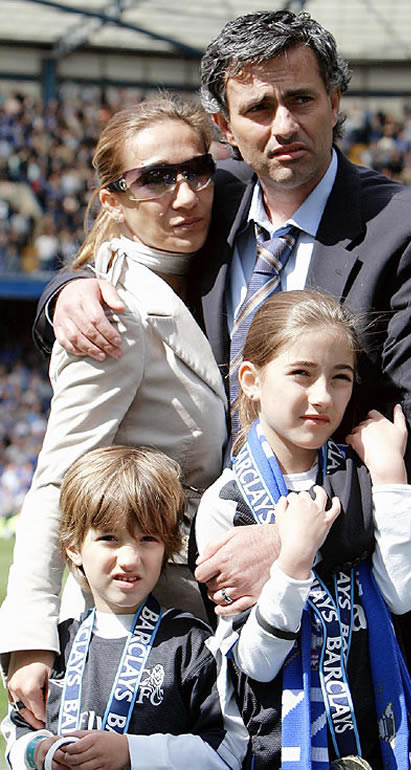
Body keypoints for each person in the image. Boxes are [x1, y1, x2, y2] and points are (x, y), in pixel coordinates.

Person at [32, 11, 411, 769]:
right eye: (258, 108)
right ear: (223, 125)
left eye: (302, 99)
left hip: (397, 629)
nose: (284, 124)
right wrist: (70, 285)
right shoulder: (209, 200)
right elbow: (123, 232)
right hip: (247, 642)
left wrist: (288, 543)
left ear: (335, 100)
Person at [0, 95, 228, 731]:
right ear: (112, 199)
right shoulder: (111, 312)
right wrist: (31, 636)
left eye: (196, 171)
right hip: (137, 625)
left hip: (195, 605)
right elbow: (58, 477)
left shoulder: (205, 265)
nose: (184, 196)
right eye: (154, 179)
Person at [195, 290, 411, 769]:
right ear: (251, 379)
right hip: (279, 742)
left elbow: (404, 593)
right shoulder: (226, 502)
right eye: (301, 374)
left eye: (341, 377)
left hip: (376, 729)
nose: (323, 396)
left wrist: (391, 474)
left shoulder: (364, 477)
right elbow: (255, 661)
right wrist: (292, 561)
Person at [1, 445, 248, 770]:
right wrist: (38, 752)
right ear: (74, 548)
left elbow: (227, 751)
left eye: (148, 539)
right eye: (109, 539)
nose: (130, 559)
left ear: (168, 548)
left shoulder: (190, 644)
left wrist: (131, 752)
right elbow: (17, 733)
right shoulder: (58, 644)